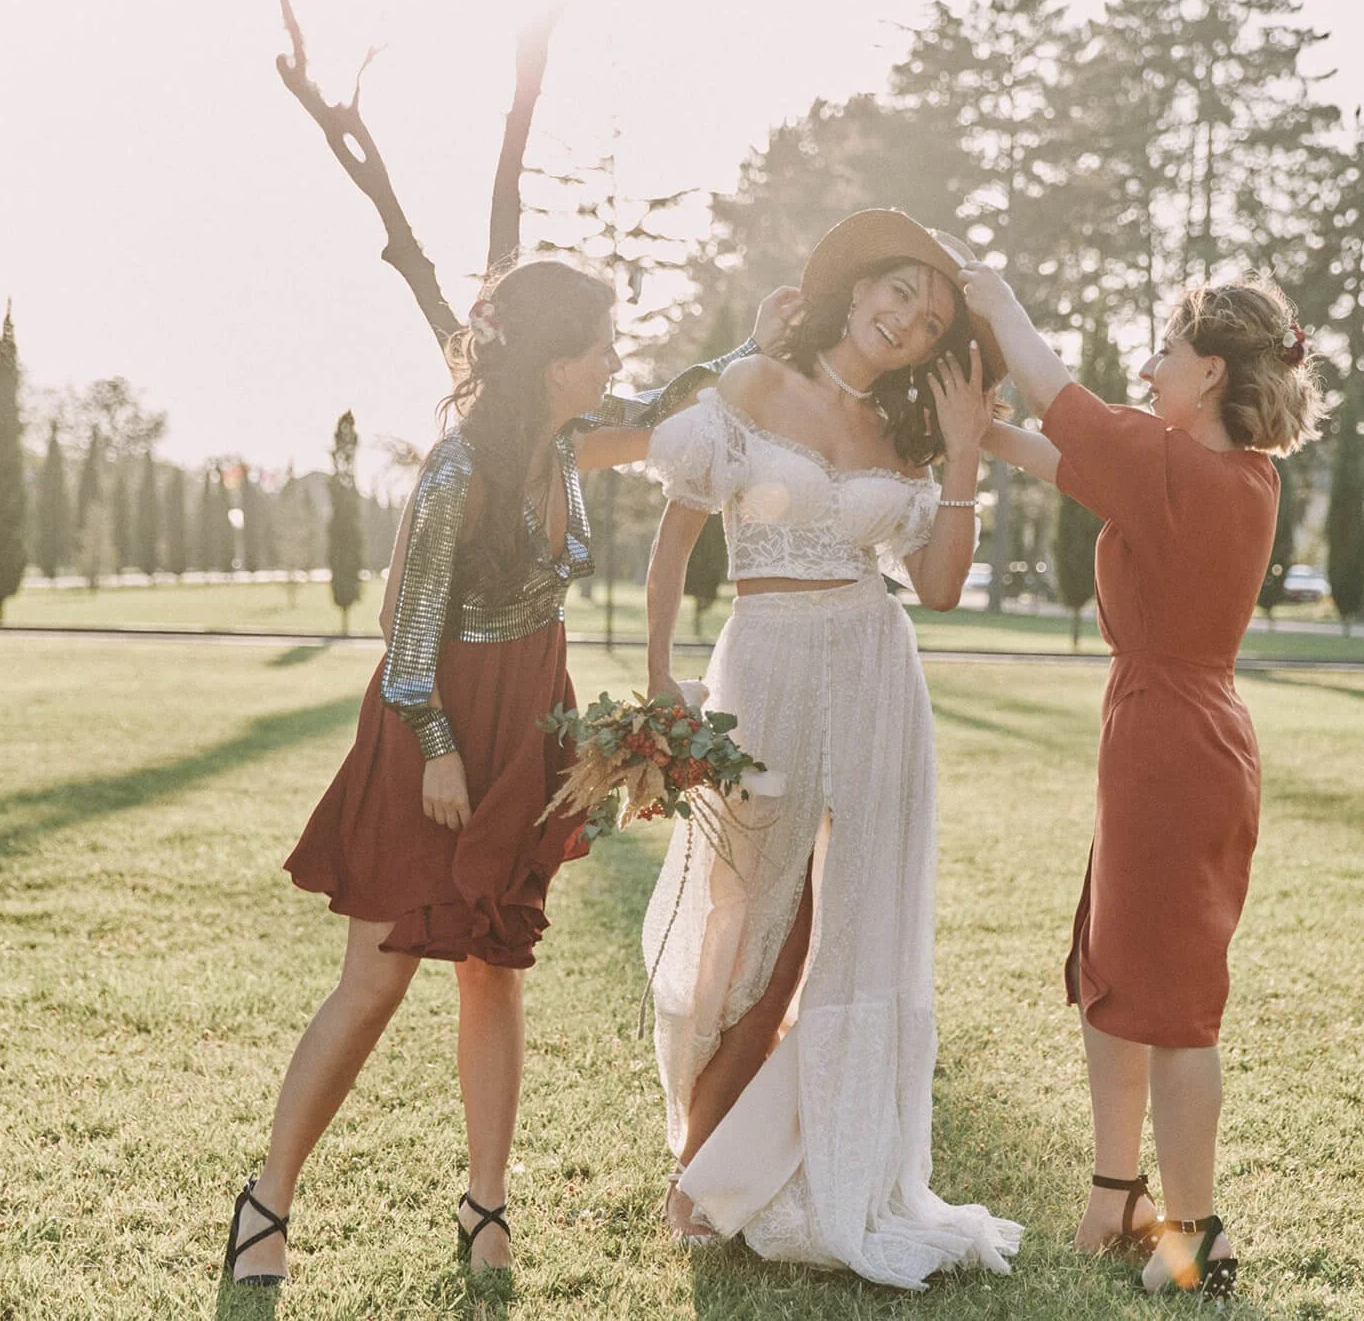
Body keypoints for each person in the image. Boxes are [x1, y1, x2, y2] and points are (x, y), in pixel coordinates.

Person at [220, 257, 785, 1287]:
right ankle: (268, 1200)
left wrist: (758, 343)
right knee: (376, 977)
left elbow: (667, 403)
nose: (614, 360)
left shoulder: (567, 439)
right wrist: (435, 751)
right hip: (432, 724)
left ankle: (487, 1204)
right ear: (554, 361)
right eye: (600, 346)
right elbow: (404, 628)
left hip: (528, 715)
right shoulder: (455, 470)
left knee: (495, 962)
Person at [639, 209, 1022, 1288]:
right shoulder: (753, 385)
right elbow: (675, 534)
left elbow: (939, 585)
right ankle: (700, 1158)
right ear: (856, 287)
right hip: (760, 663)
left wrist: (956, 453)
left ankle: (819, 1160)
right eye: (898, 291)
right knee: (746, 911)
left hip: (872, 668)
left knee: (857, 916)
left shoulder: (907, 432)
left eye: (930, 316)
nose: (906, 318)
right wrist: (660, 669)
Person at [961, 261, 1320, 1298]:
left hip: (1172, 749)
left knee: (1175, 1006)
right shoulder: (1218, 475)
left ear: (1207, 372)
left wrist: (1000, 301)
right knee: (1116, 978)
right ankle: (1115, 1196)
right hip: (1170, 739)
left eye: (1165, 352)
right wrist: (987, 436)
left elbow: (1062, 405)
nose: (1149, 366)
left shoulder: (1184, 474)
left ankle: (1190, 1244)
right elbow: (1070, 455)